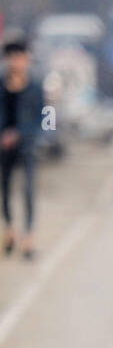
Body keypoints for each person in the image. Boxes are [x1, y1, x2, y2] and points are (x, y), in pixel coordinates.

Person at [1, 38, 42, 259]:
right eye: (12, 57)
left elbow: (46, 119)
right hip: (4, 148)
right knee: (5, 190)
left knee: (28, 191)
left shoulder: (36, 87)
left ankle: (28, 237)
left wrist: (23, 134)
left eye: (20, 57)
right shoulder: (1, 85)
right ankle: (9, 230)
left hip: (28, 146)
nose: (16, 62)